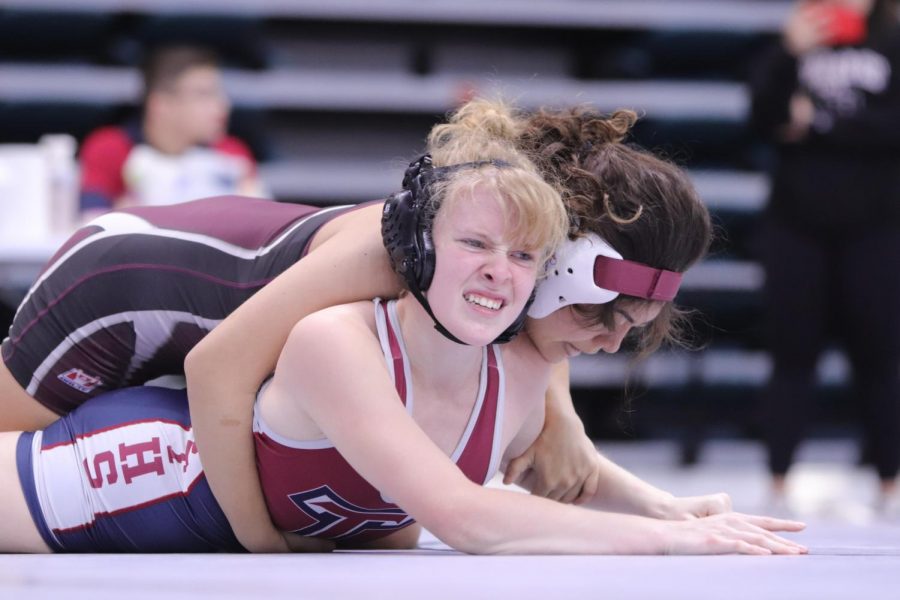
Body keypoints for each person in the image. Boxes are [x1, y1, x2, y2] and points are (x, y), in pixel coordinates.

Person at [1, 98, 753, 552]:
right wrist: (256, 541)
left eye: (636, 326)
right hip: (117, 292)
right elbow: (216, 369)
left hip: (203, 303)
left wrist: (631, 481)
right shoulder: (396, 260)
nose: (610, 341)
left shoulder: (501, 277)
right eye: (603, 316)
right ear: (565, 265)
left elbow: (538, 359)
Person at [749, 0, 900, 511]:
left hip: (876, 227)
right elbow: (762, 115)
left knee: (880, 357)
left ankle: (890, 481)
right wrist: (789, 53)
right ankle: (777, 480)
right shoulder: (795, 38)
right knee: (791, 355)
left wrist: (819, 124)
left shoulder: (894, 38)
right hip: (797, 226)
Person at [78, 44, 266, 216]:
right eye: (203, 95)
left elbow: (263, 226)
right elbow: (91, 221)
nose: (222, 106)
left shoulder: (231, 152)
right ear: (161, 104)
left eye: (219, 93)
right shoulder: (109, 148)